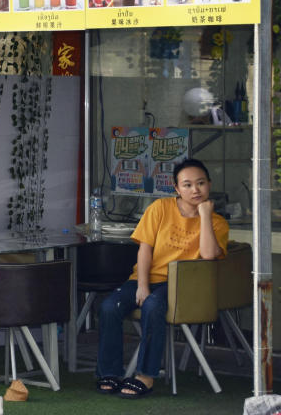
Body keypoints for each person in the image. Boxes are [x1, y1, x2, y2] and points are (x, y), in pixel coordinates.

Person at [95, 158, 228, 399]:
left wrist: (205, 216)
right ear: (176, 188)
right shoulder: (159, 208)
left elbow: (209, 255)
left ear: (209, 184)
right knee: (108, 307)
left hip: (183, 285)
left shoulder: (217, 223)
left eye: (200, 183)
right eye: (187, 185)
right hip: (145, 278)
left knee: (154, 306)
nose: (195, 189)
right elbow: (144, 250)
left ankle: (145, 376)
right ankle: (110, 373)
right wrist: (143, 286)